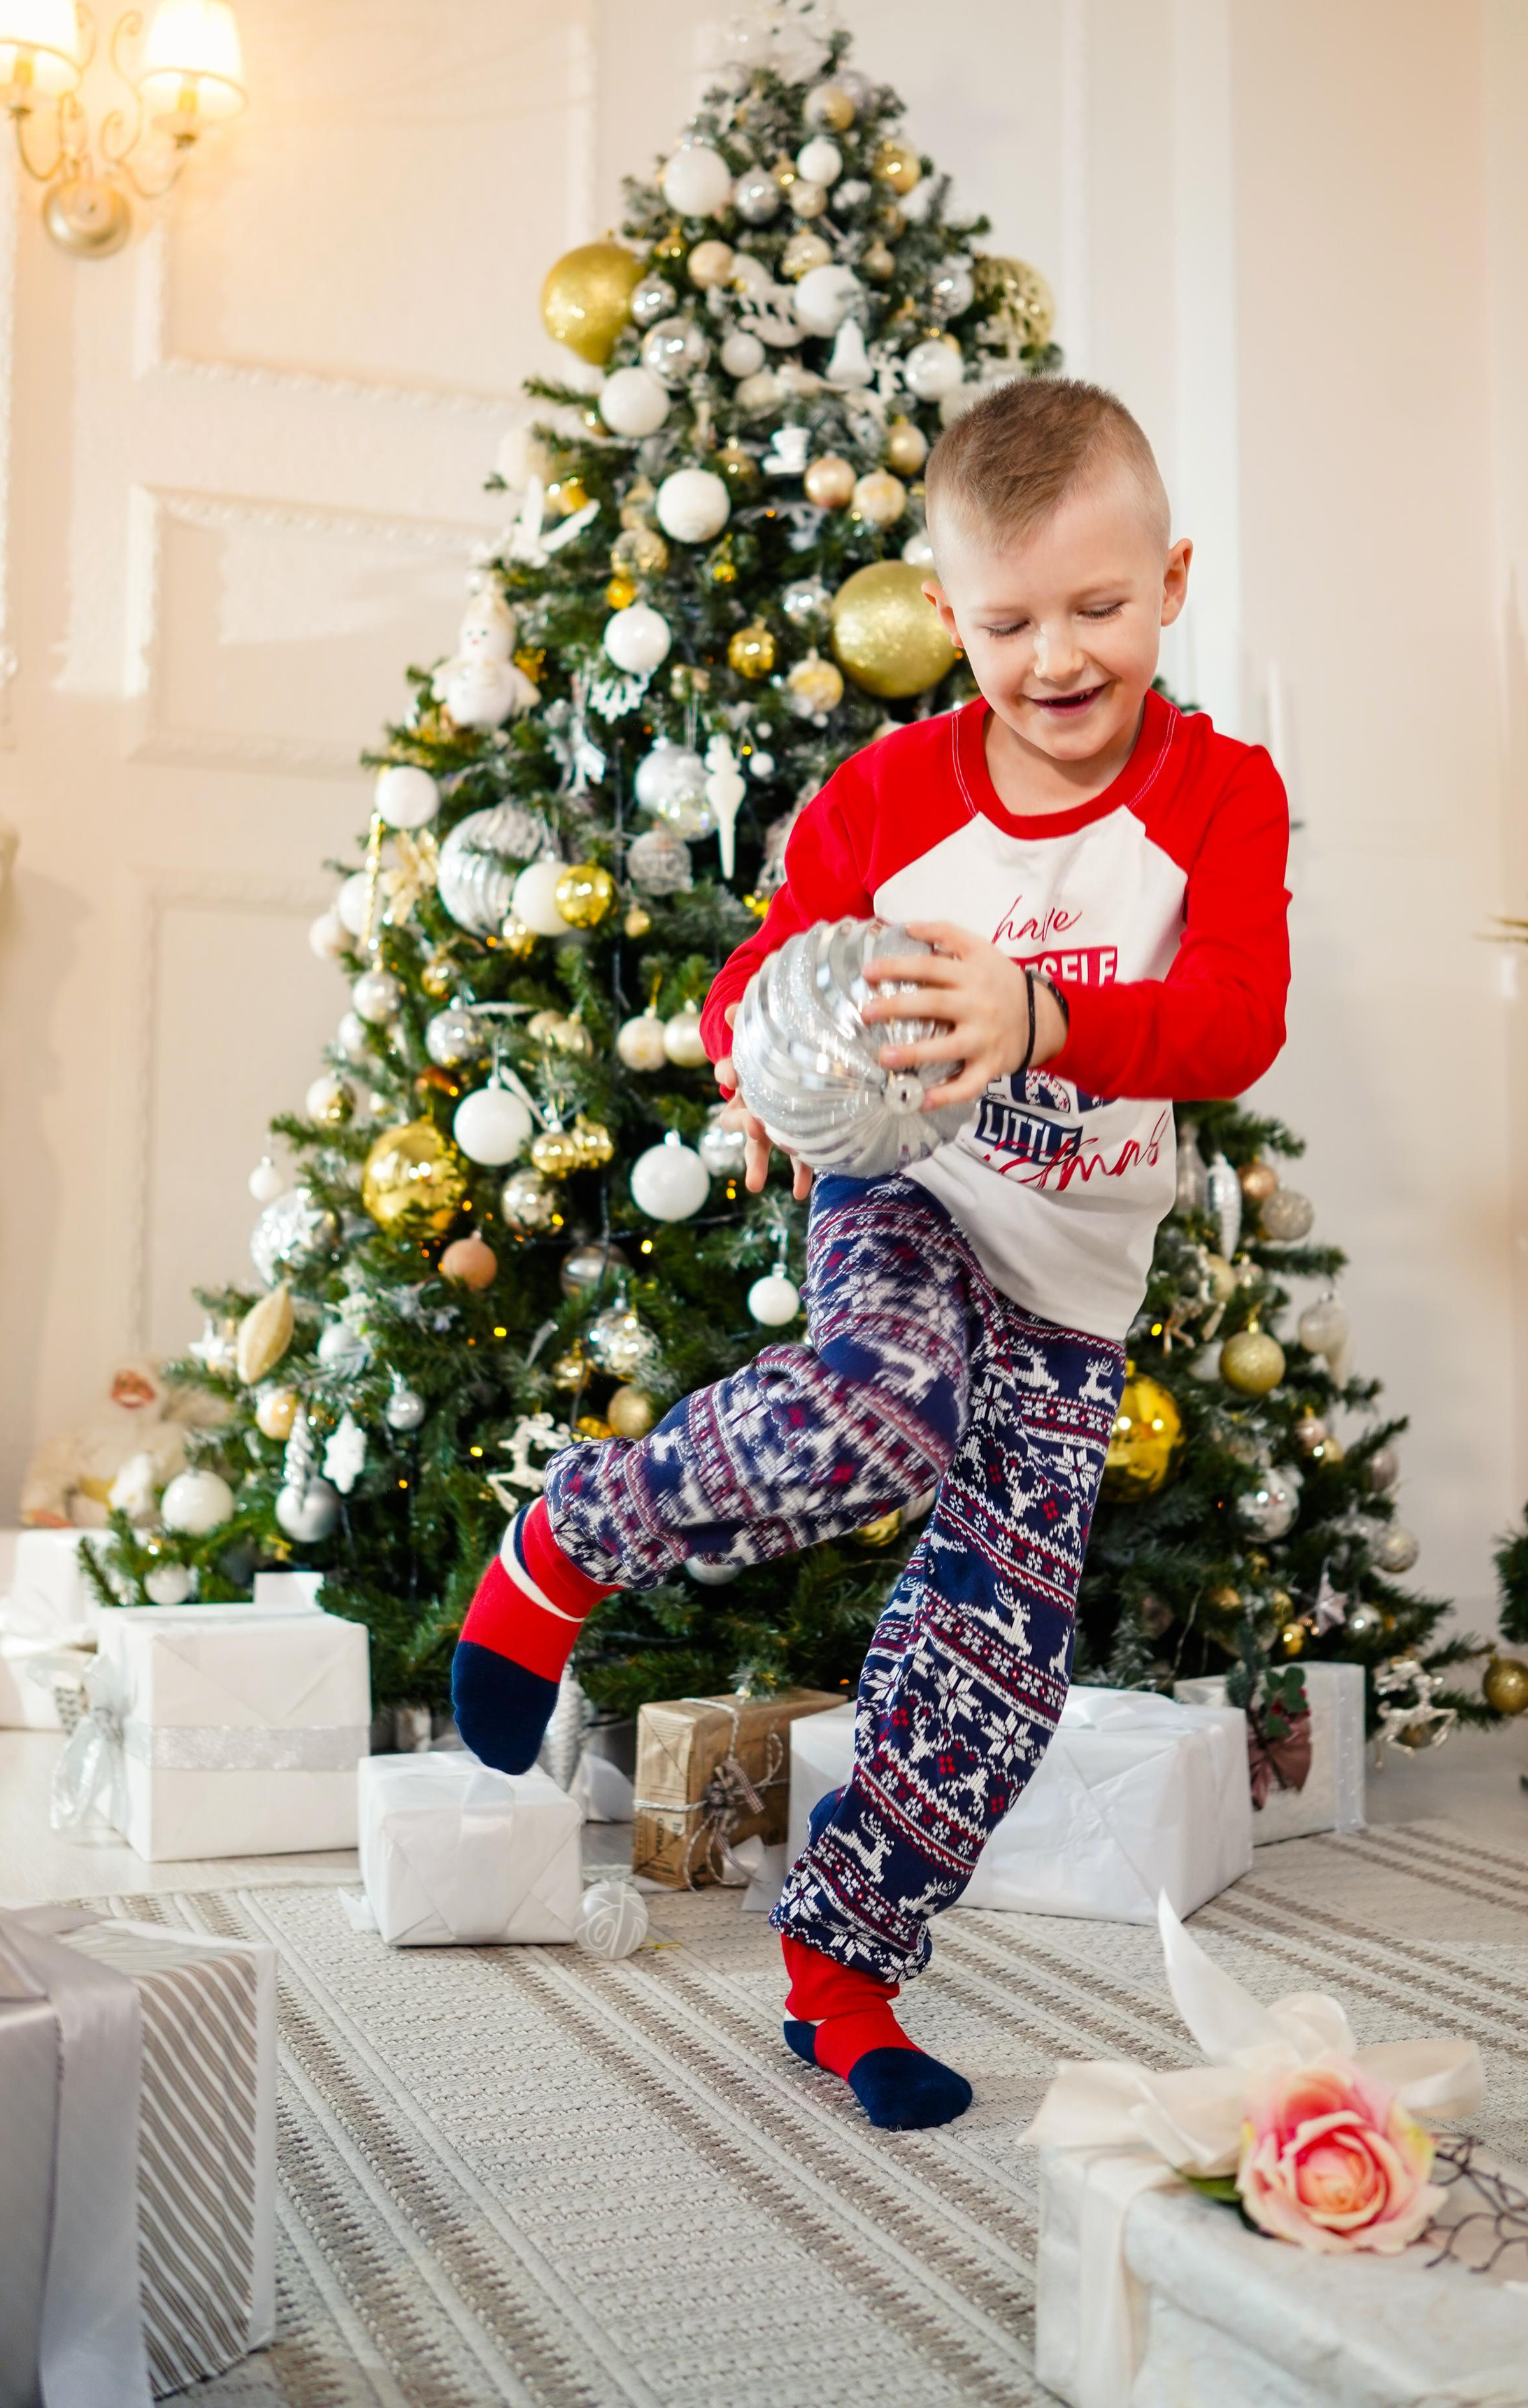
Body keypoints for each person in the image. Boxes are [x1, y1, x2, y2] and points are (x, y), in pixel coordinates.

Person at [452, 377, 1290, 2130]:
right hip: (910, 1201)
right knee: (885, 1403)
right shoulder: (892, 795)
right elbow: (756, 973)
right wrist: (766, 1066)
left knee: (997, 1647)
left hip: (1073, 1280)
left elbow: (1232, 1023)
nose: (1054, 659)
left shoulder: (1215, 797)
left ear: (1173, 581)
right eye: (1003, 623)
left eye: (1098, 610)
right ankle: (567, 1542)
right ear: (943, 612)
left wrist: (1042, 1008)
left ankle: (841, 1976)